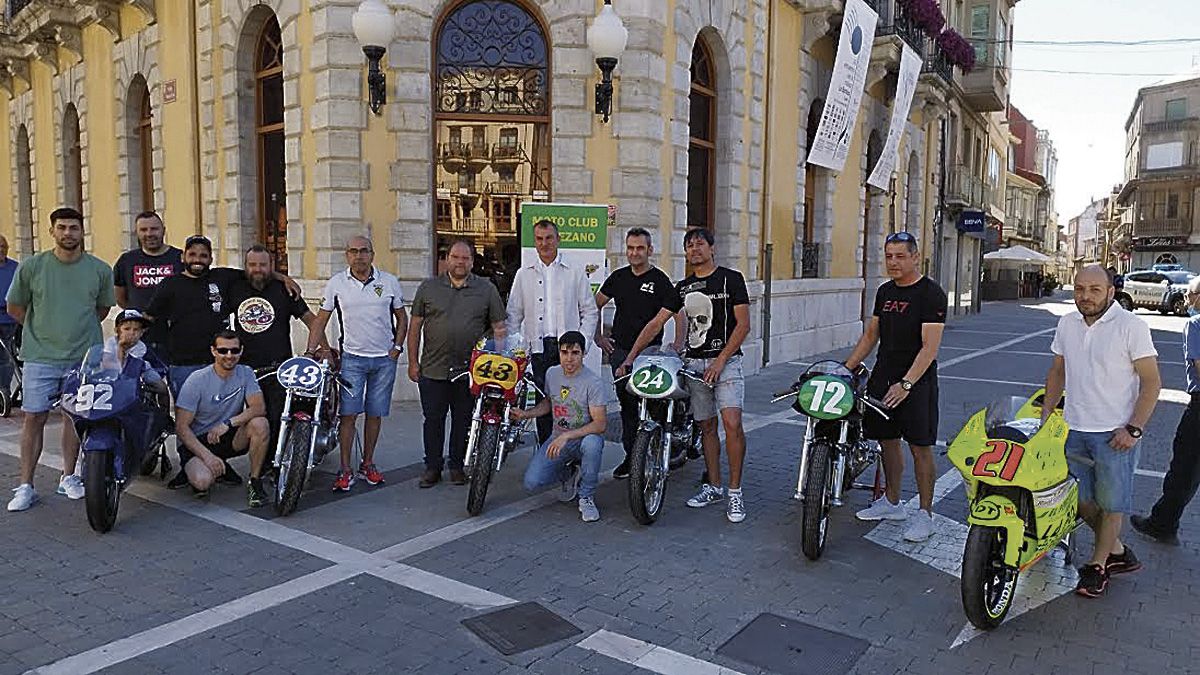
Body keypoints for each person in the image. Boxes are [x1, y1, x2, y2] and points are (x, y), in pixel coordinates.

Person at [1041, 264, 1161, 598]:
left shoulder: (1130, 326)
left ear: (1111, 291)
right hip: (1073, 429)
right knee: (1078, 501)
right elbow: (1056, 371)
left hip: (1115, 435)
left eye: (1095, 289)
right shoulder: (1067, 323)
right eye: (1080, 288)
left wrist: (1133, 429)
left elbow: (1152, 383)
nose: (1086, 296)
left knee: (1111, 504)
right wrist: (1047, 415)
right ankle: (1118, 551)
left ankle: (1097, 567)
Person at [620, 228, 751, 523]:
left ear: (712, 248)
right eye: (689, 245)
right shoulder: (682, 287)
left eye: (700, 244)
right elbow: (656, 323)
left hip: (727, 364)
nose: (694, 249)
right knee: (706, 426)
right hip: (693, 365)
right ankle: (714, 486)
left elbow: (743, 325)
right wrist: (630, 357)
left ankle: (735, 492)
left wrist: (720, 360)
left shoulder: (731, 279)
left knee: (732, 424)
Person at [6, 207, 115, 512]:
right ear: (52, 231)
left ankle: (70, 477)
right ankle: (26, 485)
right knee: (33, 417)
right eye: (62, 228)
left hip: (84, 359)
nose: (68, 233)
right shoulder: (32, 267)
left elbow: (102, 309)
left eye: (74, 228)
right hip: (41, 356)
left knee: (75, 418)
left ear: (82, 232)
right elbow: (15, 308)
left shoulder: (99, 269)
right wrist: (44, 330)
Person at [846, 231, 948, 543]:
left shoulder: (931, 294)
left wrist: (906, 384)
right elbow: (870, 336)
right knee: (887, 441)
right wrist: (844, 369)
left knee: (920, 447)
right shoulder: (885, 291)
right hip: (883, 375)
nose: (893, 262)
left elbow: (929, 348)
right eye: (889, 256)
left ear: (916, 257)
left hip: (916, 382)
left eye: (901, 256)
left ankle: (925, 514)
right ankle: (892, 503)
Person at [305, 236, 408, 492]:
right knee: (348, 415)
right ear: (346, 255)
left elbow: (402, 318)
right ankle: (344, 469)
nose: (359, 256)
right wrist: (310, 351)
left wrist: (396, 348)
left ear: (372, 254)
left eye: (364, 251)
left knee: (375, 414)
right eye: (354, 251)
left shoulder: (389, 282)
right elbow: (321, 319)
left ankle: (368, 463)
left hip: (384, 361)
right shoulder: (336, 284)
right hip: (352, 360)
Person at [407, 240, 505, 488]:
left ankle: (457, 466)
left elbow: (499, 328)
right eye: (455, 257)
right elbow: (415, 326)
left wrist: (498, 361)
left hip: (470, 371)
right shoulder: (428, 288)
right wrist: (412, 361)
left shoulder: (486, 289)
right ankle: (432, 467)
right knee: (433, 420)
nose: (460, 262)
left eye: (465, 258)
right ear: (446, 258)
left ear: (472, 261)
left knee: (464, 419)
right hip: (433, 367)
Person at [228, 244, 325, 477]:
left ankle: (271, 466)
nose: (258, 269)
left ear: (271, 266)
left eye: (263, 265)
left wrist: (325, 348)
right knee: (246, 419)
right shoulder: (234, 286)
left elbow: (311, 320)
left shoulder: (284, 290)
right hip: (244, 370)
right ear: (245, 266)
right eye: (252, 265)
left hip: (280, 367)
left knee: (276, 416)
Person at [595, 227, 683, 479]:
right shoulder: (618, 277)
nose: (634, 253)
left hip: (651, 354)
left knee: (653, 405)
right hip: (620, 352)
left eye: (640, 248)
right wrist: (598, 337)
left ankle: (657, 451)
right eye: (630, 248)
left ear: (649, 250)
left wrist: (677, 345)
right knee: (628, 407)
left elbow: (679, 313)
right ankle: (631, 458)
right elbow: (595, 305)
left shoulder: (660, 280)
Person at [506, 220, 598, 444]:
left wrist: (581, 345)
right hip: (536, 349)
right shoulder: (523, 274)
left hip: (565, 350)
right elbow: (513, 315)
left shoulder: (575, 272)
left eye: (549, 238)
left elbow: (590, 311)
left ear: (558, 239)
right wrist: (514, 348)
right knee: (542, 402)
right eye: (539, 239)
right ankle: (546, 452)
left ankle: (570, 450)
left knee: (571, 401)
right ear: (534, 242)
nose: (544, 243)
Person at [1132, 276, 1200, 546]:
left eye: (1190, 294)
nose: (1187, 300)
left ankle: (1162, 523)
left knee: (1184, 467)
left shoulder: (1195, 324)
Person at [516, 331, 607, 522]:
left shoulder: (593, 382)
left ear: (583, 354)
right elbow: (549, 403)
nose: (569, 358)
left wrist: (567, 436)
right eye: (564, 352)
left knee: (592, 445)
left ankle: (586, 497)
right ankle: (570, 472)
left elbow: (600, 424)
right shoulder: (552, 373)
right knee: (532, 482)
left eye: (575, 353)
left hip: (583, 438)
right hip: (558, 438)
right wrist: (526, 413)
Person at [175, 330, 271, 505]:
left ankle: (255, 482)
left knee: (260, 424)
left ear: (241, 351)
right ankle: (202, 467)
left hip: (225, 435)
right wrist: (207, 456)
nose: (229, 355)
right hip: (198, 442)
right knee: (202, 481)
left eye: (234, 351)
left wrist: (229, 423)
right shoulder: (196, 380)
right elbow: (181, 428)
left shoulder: (246, 372)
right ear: (213, 351)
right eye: (223, 350)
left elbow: (259, 408)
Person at [113, 211, 181, 362]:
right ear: (136, 233)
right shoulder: (127, 260)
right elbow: (121, 298)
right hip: (139, 339)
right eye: (143, 230)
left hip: (175, 337)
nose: (149, 234)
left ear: (163, 230)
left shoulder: (179, 258)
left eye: (154, 229)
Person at [105, 309, 167, 394]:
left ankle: (162, 405)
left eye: (136, 330)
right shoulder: (111, 342)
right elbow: (110, 362)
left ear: (141, 333)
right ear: (117, 330)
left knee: (162, 388)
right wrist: (120, 347)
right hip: (114, 373)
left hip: (141, 370)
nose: (132, 333)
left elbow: (128, 367)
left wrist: (121, 348)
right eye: (127, 329)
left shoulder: (140, 347)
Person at [0, 235, 20, 396]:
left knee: (8, 356)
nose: (0, 250)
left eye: (3, 246)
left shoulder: (16, 268)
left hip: (11, 319)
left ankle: (3, 390)